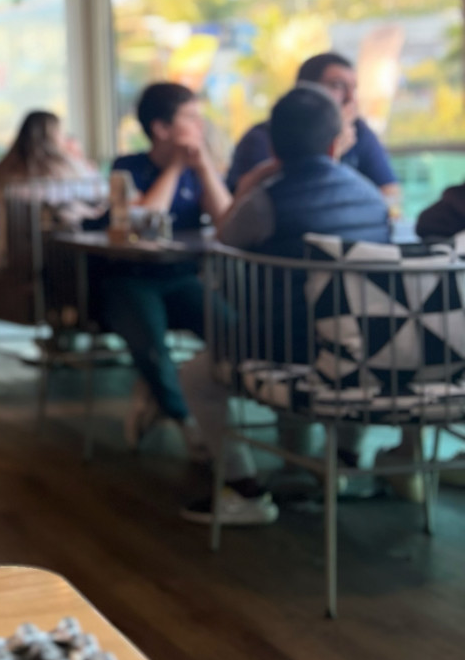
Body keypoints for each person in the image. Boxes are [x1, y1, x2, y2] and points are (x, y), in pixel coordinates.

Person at [179, 83, 390, 526]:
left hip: (285, 349)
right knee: (356, 336)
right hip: (369, 349)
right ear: (335, 143)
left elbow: (223, 244)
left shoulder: (265, 200)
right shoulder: (373, 198)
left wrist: (250, 183)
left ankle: (244, 489)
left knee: (195, 376)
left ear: (273, 147)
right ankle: (343, 463)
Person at [96, 83, 232, 449]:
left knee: (233, 332)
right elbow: (142, 219)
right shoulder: (128, 167)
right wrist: (175, 167)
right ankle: (183, 419)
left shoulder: (197, 169)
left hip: (181, 277)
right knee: (153, 349)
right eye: (191, 117)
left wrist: (204, 168)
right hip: (131, 279)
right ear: (161, 128)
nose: (200, 125)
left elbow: (227, 221)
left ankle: (176, 396)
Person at [227, 52, 399, 198]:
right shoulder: (265, 136)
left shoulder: (359, 131)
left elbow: (390, 192)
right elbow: (240, 203)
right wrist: (325, 158)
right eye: (337, 86)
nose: (350, 99)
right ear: (305, 91)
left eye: (354, 88)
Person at [0, 111, 95, 247]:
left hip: (12, 250)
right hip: (63, 250)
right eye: (61, 132)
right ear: (54, 135)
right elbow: (93, 197)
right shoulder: (68, 168)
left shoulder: (4, 169)